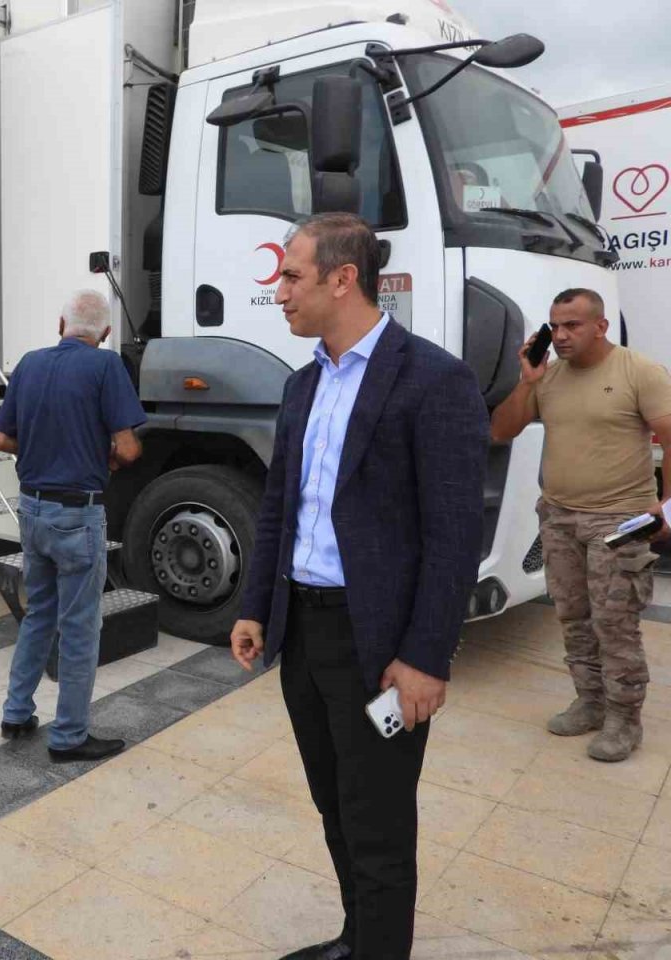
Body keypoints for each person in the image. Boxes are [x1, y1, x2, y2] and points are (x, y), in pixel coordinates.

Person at [230, 213, 488, 960]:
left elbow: (452, 536)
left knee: (378, 820)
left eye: (291, 276)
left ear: (344, 279)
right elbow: (281, 505)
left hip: (379, 656)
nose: (278, 292)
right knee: (334, 803)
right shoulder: (303, 384)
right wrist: (255, 608)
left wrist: (426, 658)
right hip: (305, 642)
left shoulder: (435, 380)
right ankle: (357, 937)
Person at [491, 288, 671, 762]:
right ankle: (590, 703)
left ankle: (624, 720)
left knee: (615, 622)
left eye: (572, 325)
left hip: (621, 519)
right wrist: (527, 380)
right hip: (559, 516)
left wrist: (668, 507)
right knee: (573, 617)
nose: (562, 335)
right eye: (555, 326)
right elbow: (500, 430)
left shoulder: (639, 372)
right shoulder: (547, 378)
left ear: (601, 326)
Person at [0, 289, 145, 763]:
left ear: (61, 325)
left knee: (39, 613)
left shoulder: (29, 364)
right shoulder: (105, 367)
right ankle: (70, 737)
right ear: (103, 333)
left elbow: (0, 437)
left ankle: (17, 713)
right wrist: (102, 456)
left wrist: (42, 452)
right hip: (78, 515)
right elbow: (129, 448)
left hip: (32, 511)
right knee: (80, 628)